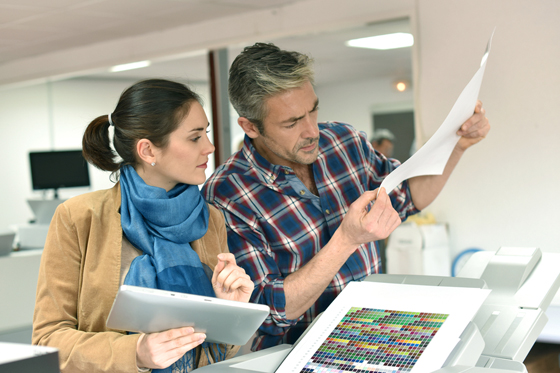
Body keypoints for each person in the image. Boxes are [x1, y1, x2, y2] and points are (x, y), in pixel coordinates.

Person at [202, 43, 490, 351]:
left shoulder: (343, 141)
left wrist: (457, 146)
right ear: (250, 126)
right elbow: (267, 312)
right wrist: (346, 240)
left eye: (312, 110)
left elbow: (408, 197)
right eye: (292, 122)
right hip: (297, 354)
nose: (312, 130)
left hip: (377, 335)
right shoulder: (227, 193)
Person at [32, 79, 254, 373]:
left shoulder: (210, 218)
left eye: (207, 134)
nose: (210, 147)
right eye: (194, 137)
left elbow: (218, 350)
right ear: (148, 151)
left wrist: (230, 310)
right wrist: (135, 354)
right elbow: (47, 341)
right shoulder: (78, 217)